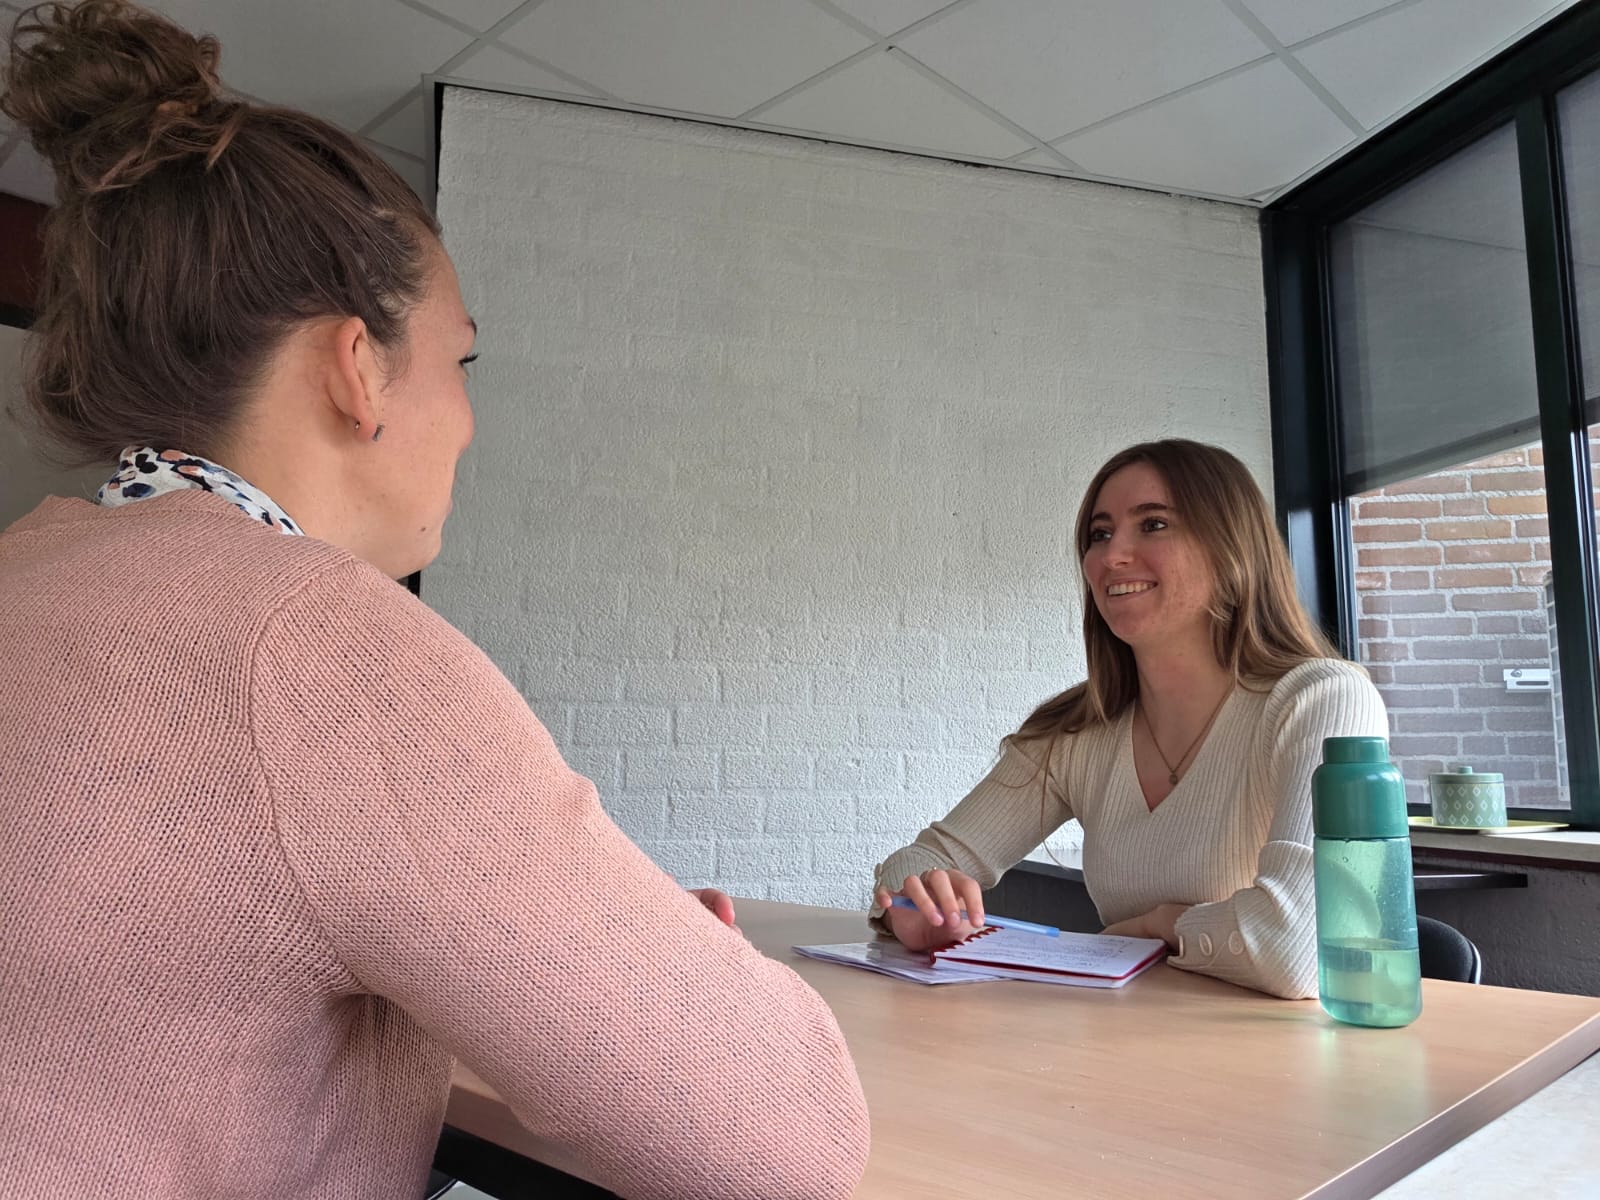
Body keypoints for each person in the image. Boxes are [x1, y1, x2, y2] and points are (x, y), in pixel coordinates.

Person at [0, 4, 868, 1198]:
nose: (465, 419)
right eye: (459, 362)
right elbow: (786, 1142)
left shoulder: (26, 573)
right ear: (359, 369)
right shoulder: (319, 652)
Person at [870, 439, 1389, 999]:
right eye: (1099, 534)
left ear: (1231, 547)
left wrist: (1158, 926)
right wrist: (917, 905)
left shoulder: (1323, 700)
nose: (1111, 556)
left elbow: (1301, 948)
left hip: (1282, 1064)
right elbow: (919, 861)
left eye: (1154, 524)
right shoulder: (1076, 731)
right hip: (1121, 1051)